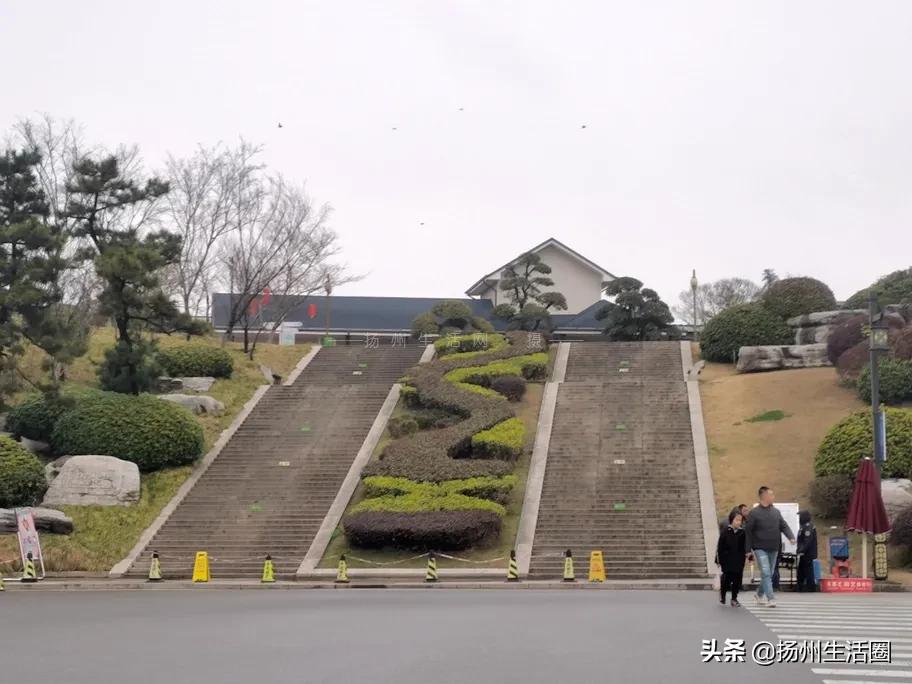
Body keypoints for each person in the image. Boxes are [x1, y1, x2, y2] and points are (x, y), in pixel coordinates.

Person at [744, 486, 795, 607]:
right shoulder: (754, 513)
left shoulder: (776, 512)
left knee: (769, 573)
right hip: (760, 548)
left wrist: (791, 537)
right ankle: (771, 598)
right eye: (771, 495)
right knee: (766, 572)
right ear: (764, 496)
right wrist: (748, 550)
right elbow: (748, 532)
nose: (773, 497)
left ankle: (759, 594)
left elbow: (783, 526)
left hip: (774, 547)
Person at [716, 510, 747, 607]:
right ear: (731, 520)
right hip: (727, 560)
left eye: (740, 520)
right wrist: (719, 560)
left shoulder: (742, 533)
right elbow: (720, 547)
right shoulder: (725, 531)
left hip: (739, 560)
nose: (738, 522)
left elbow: (745, 546)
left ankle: (734, 598)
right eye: (736, 520)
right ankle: (723, 594)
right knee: (727, 579)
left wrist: (748, 555)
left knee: (737, 580)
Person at [796, 510, 818, 592]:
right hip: (804, 553)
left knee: (808, 570)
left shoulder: (808, 527)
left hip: (807, 553)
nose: (798, 518)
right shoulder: (804, 526)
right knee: (801, 570)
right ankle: (800, 586)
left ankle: (810, 587)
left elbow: (807, 541)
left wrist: (801, 550)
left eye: (800, 516)